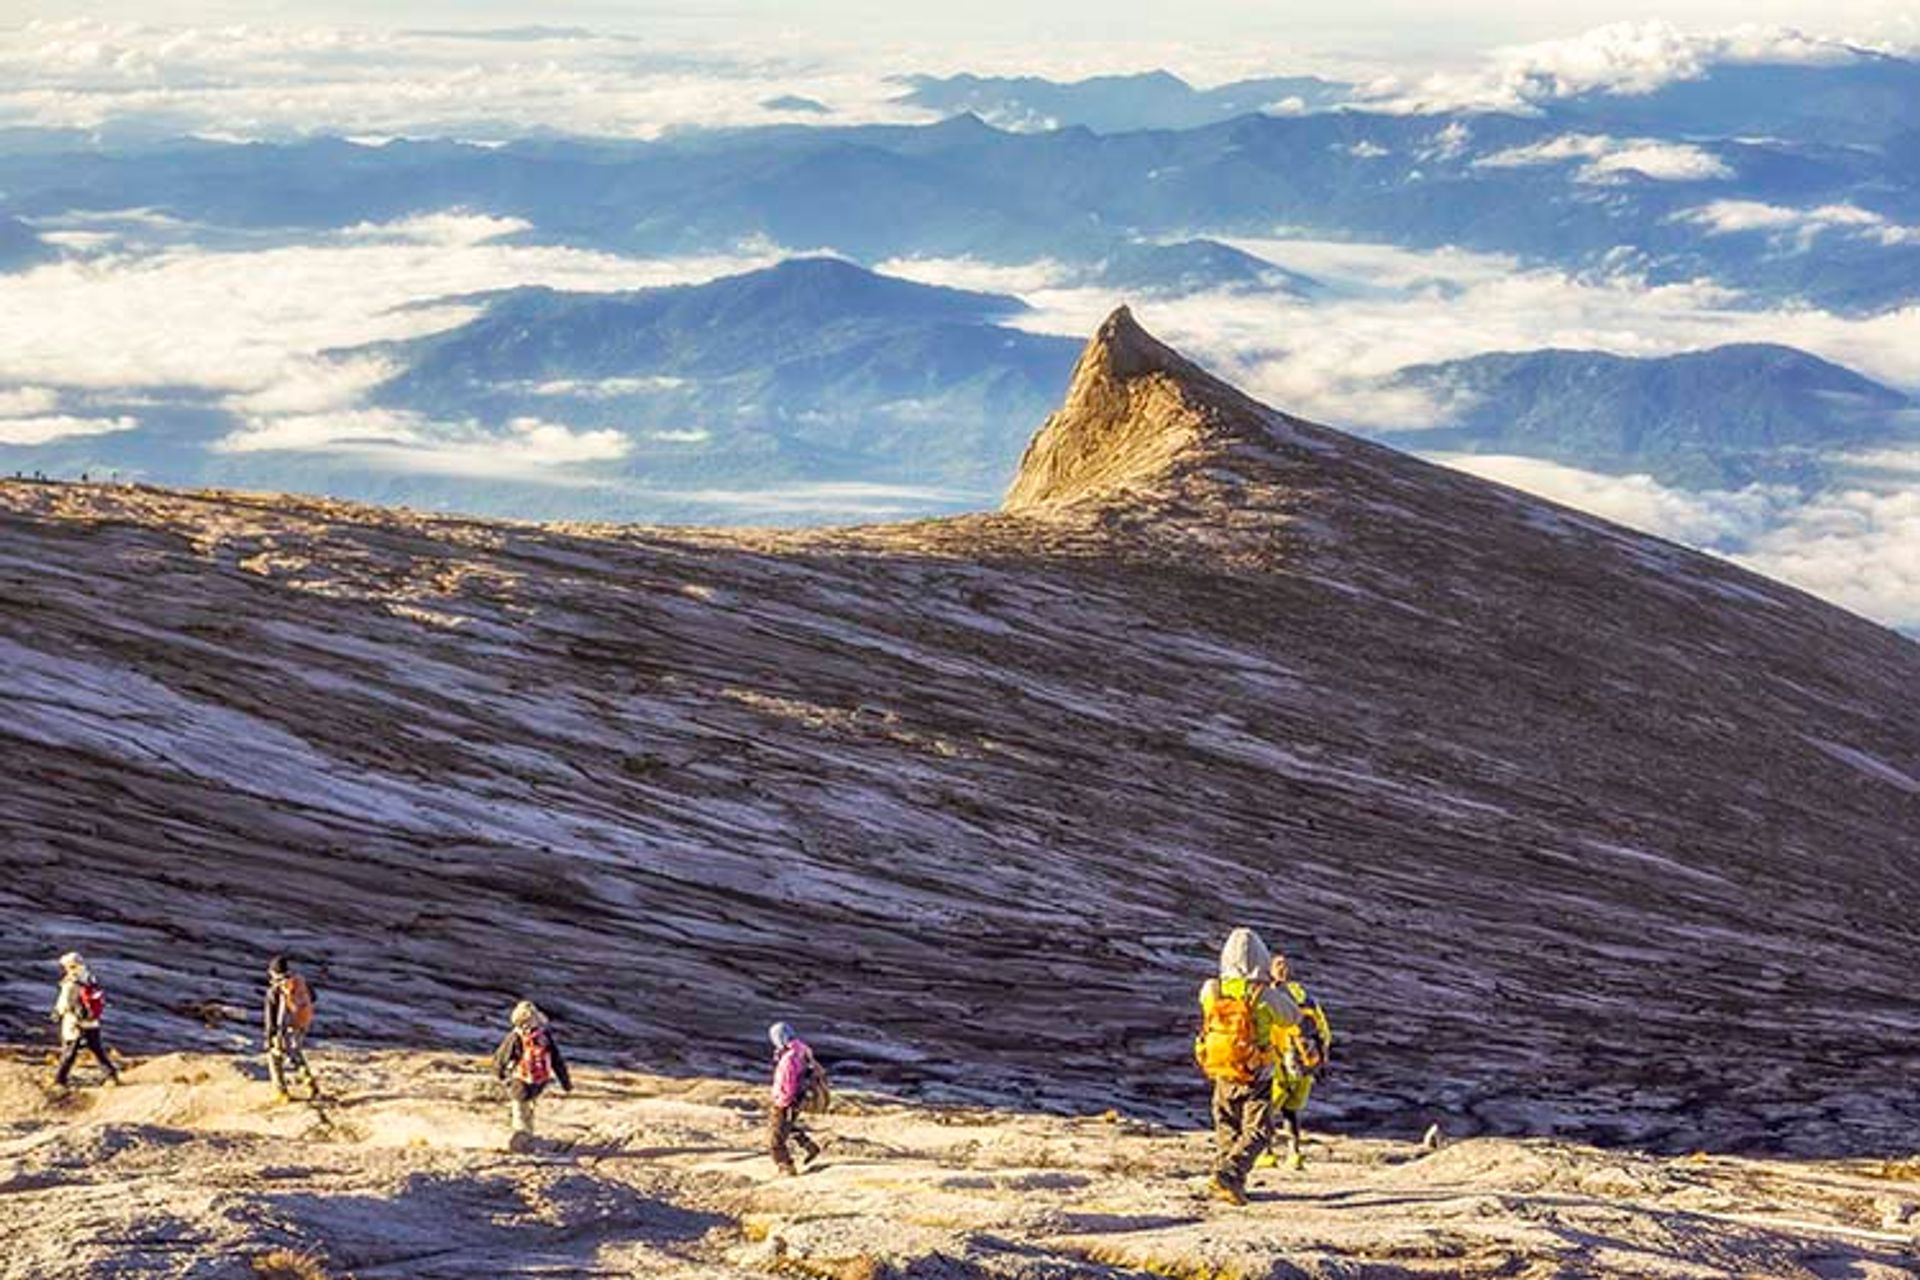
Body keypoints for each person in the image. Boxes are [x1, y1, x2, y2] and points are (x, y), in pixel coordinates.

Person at [1194, 927, 1298, 1205]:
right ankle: (1230, 1175)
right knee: (1259, 1130)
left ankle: (1226, 1177)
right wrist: (1279, 985)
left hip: (1221, 1067)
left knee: (1227, 1124)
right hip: (1256, 1073)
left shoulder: (1212, 988)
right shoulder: (1263, 995)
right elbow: (1292, 1017)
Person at [1257, 951, 1332, 1171]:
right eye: (1279, 964)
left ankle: (1267, 1153)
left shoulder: (1268, 995)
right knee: (1291, 1110)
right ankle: (1294, 1154)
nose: (1282, 968)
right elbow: (1322, 1028)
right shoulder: (1304, 994)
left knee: (1268, 1109)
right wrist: (1322, 1054)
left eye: (1282, 964)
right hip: (1305, 1060)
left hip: (1281, 1061)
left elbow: (1267, 1028)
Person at [493, 1000, 571, 1152]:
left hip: (519, 1081)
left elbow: (500, 1058)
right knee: (529, 1112)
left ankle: (522, 1143)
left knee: (520, 1114)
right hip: (539, 1082)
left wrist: (500, 1075)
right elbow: (556, 1060)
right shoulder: (544, 1036)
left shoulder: (515, 1037)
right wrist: (565, 1082)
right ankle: (528, 1139)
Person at [50, 952, 121, 1088]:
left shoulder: (71, 981)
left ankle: (59, 1080)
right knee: (97, 1050)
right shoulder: (89, 977)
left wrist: (57, 1013)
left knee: (69, 1053)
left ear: (70, 965)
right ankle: (111, 1075)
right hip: (92, 1022)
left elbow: (65, 1003)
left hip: (75, 1023)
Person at [767, 1021, 825, 1176]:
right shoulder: (802, 1050)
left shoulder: (790, 1057)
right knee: (787, 1127)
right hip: (798, 1099)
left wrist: (783, 1103)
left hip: (788, 1101)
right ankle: (810, 1147)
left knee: (775, 1141)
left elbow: (789, 1082)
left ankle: (787, 1168)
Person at [263, 954, 321, 1102]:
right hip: (301, 1024)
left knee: (274, 1058)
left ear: (273, 972)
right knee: (295, 1053)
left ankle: (281, 1092)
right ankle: (309, 1082)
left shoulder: (275, 990)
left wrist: (269, 1037)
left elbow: (270, 1018)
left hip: (284, 1028)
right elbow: (313, 997)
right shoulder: (300, 981)